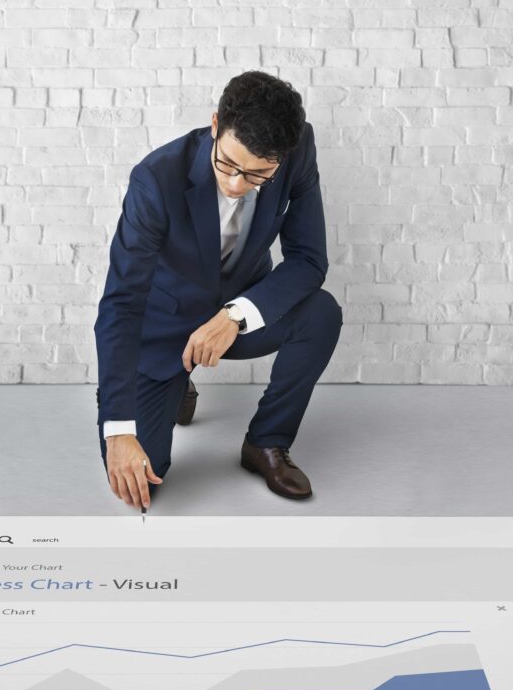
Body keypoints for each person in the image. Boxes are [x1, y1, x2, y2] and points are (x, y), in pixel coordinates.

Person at [94, 70, 342, 511]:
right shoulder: (155, 180)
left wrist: (234, 316)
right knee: (143, 481)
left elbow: (308, 259)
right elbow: (121, 302)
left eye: (257, 174)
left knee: (321, 313)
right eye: (228, 163)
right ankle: (174, 380)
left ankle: (266, 443)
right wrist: (119, 430)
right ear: (215, 125)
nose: (235, 185)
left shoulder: (297, 147)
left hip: (241, 309)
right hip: (164, 324)